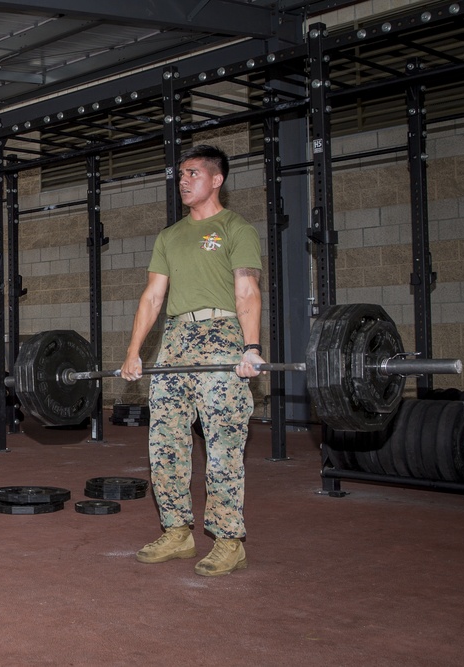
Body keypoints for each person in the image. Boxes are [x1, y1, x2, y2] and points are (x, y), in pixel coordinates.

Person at [120, 145, 265, 578]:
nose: (184, 180)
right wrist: (133, 351)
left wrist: (251, 348)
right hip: (176, 340)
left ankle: (228, 539)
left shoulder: (236, 227)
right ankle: (177, 531)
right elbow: (152, 297)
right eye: (181, 174)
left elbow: (248, 292)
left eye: (193, 173)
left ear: (216, 179)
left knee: (222, 444)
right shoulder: (169, 236)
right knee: (164, 440)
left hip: (222, 336)